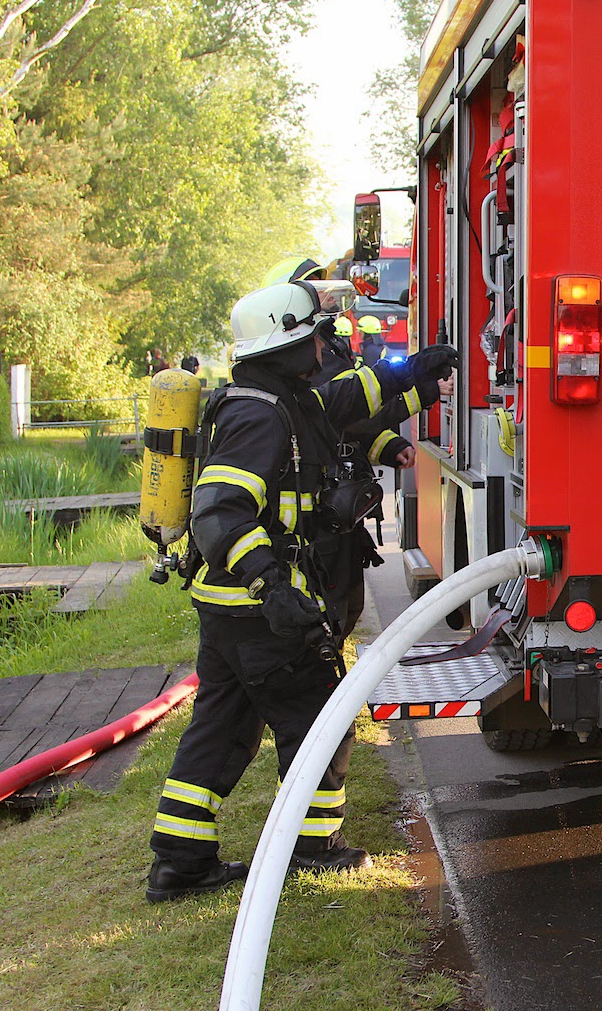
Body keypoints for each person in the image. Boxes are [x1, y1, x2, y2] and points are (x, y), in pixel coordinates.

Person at [144, 279, 457, 903]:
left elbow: (342, 406)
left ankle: (179, 861)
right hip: (262, 608)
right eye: (315, 335)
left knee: (221, 727)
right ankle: (314, 849)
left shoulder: (277, 398)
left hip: (229, 608)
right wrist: (271, 587)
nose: (325, 346)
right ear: (288, 343)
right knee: (320, 719)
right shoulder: (260, 415)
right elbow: (221, 513)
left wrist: (415, 380)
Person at [313, 316, 452, 640]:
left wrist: (389, 447)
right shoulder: (310, 369)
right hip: (322, 518)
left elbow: (348, 429)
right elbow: (357, 412)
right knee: (332, 609)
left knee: (346, 607)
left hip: (334, 512)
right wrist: (423, 385)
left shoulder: (331, 351)